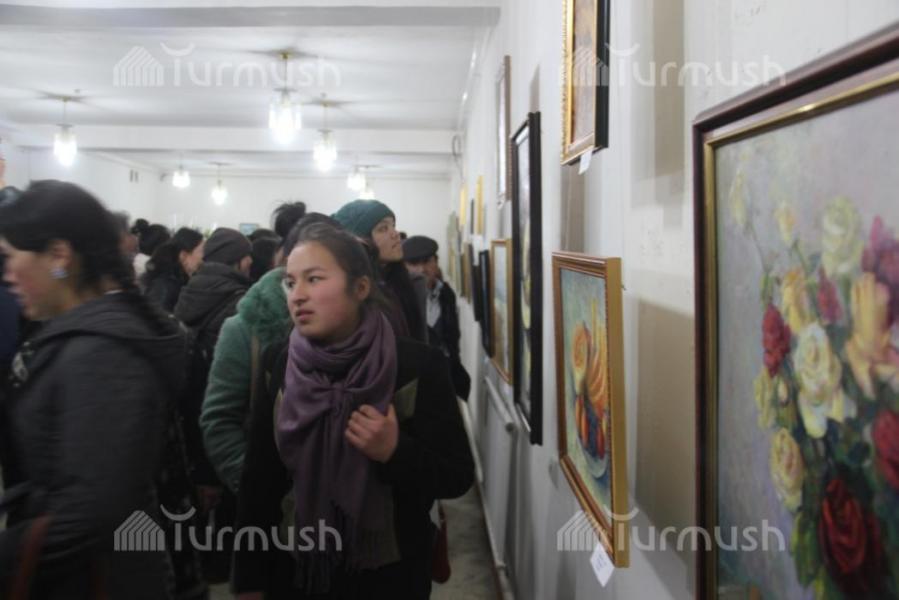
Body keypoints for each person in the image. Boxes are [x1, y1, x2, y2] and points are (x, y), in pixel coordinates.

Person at [232, 223, 474, 599]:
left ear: (360, 288)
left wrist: (395, 451)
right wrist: (249, 579)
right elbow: (260, 479)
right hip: (295, 568)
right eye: (290, 283)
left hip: (389, 574)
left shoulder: (416, 366)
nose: (297, 295)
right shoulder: (279, 362)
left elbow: (456, 476)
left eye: (314, 279)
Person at [0, 180, 183, 599]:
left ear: (59, 256)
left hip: (101, 577)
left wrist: (12, 554)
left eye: (10, 258)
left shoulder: (100, 352)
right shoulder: (81, 335)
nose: (7, 276)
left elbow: (95, 509)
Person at [201, 214, 338, 495]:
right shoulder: (246, 329)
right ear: (288, 262)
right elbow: (220, 420)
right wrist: (257, 488)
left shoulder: (352, 329)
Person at [332, 199, 426, 342]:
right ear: (361, 241)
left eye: (393, 226)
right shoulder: (351, 293)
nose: (395, 234)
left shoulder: (410, 282)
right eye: (383, 229)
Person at [403, 236, 470, 401]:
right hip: (414, 382)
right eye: (414, 264)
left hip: (444, 375)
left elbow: (452, 337)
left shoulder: (446, 293)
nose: (422, 269)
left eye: (427, 261)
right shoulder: (400, 299)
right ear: (404, 267)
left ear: (436, 262)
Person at [142, 227, 205, 313]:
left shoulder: (176, 280)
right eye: (202, 251)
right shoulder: (166, 286)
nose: (204, 257)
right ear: (183, 255)